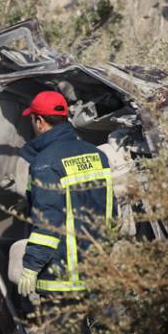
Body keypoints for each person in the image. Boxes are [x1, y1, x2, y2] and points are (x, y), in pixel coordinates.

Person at [16, 91, 115, 299]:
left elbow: (48, 223)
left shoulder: (45, 163)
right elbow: (111, 213)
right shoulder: (97, 155)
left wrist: (31, 266)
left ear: (39, 121)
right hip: (98, 274)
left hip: (62, 281)